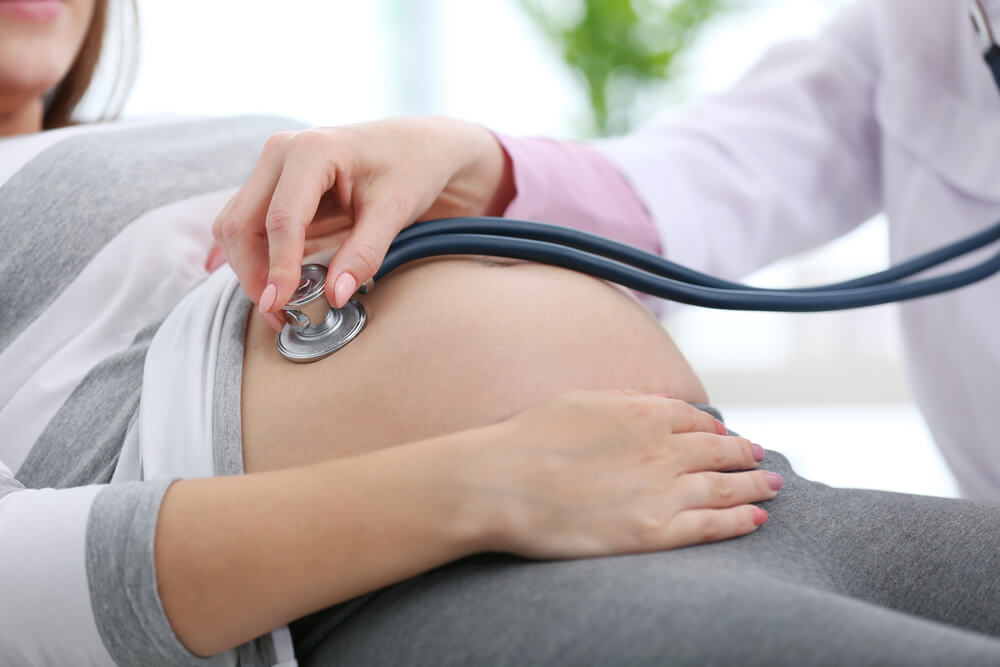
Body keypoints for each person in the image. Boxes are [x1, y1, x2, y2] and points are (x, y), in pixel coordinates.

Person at [2, 1, 1000, 667]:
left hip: (726, 487)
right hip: (437, 567)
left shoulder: (173, 132)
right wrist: (483, 484)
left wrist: (467, 162)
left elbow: (680, 191)